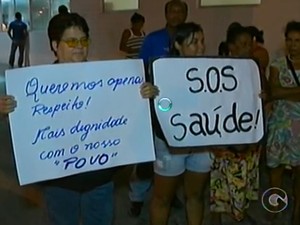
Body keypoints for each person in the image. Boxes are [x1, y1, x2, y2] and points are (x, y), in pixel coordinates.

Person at [2, 12, 158, 225]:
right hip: (59, 181)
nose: (79, 46)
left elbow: (127, 115)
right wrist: (7, 109)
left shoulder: (109, 78)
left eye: (84, 40)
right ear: (55, 45)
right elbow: (26, 129)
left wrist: (145, 95)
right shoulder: (34, 86)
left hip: (100, 178)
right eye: (72, 41)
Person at [128, 0, 188, 217]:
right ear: (166, 14)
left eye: (180, 10)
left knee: (175, 153)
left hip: (180, 107)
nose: (176, 14)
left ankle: (171, 195)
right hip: (154, 103)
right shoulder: (153, 39)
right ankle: (137, 197)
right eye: (172, 10)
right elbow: (140, 68)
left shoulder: (190, 38)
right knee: (147, 153)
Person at [149, 22, 211, 225]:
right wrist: (154, 95)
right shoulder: (163, 71)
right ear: (178, 45)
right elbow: (163, 109)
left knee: (196, 195)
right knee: (163, 198)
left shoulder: (213, 71)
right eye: (194, 43)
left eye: (202, 42)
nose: (200, 47)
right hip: (170, 143)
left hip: (202, 143)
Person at [210, 25, 266, 225]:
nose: (248, 49)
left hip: (248, 139)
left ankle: (238, 213)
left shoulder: (254, 67)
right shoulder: (219, 71)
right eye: (242, 45)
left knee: (242, 185)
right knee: (218, 187)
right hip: (226, 140)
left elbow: (261, 94)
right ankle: (216, 219)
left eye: (250, 44)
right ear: (231, 47)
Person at [266, 21, 300, 225]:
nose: (293, 44)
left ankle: (297, 210)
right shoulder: (277, 63)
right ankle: (275, 204)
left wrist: (285, 93)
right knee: (275, 169)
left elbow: (280, 91)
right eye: (290, 40)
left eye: (298, 41)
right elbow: (274, 92)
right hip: (280, 125)